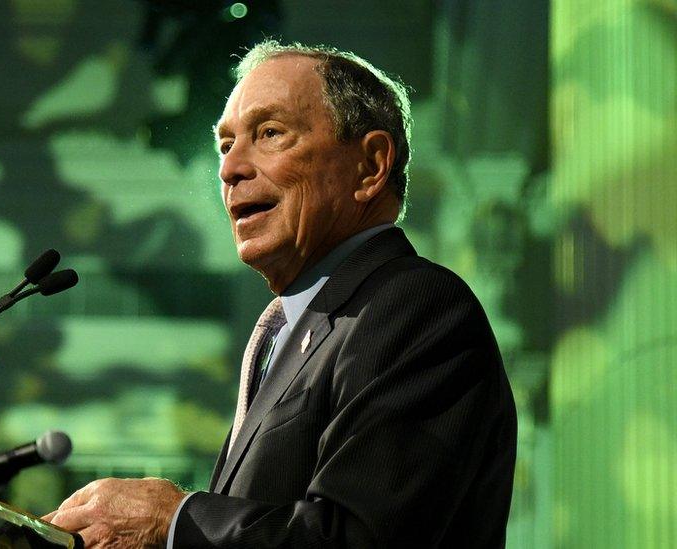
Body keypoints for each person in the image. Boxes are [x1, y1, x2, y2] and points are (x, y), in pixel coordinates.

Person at [44, 40, 517, 548]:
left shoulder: (415, 306)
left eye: (269, 133)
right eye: (225, 146)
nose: (229, 170)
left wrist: (175, 521)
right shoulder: (289, 331)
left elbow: (355, 539)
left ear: (371, 165)